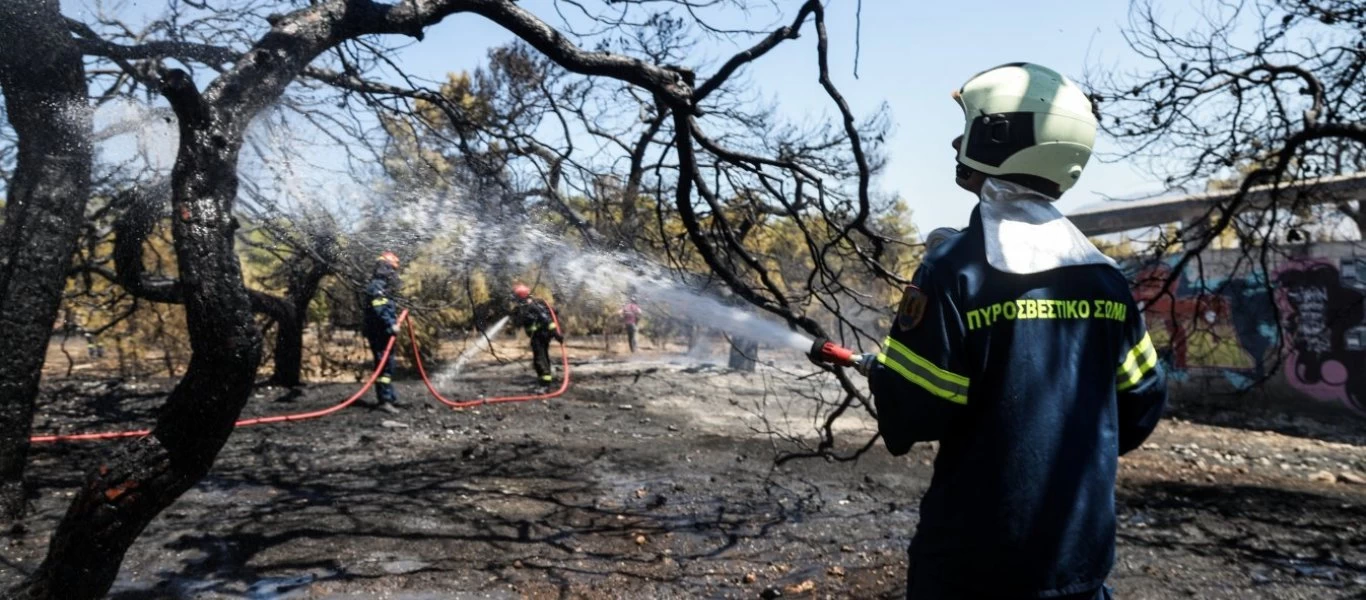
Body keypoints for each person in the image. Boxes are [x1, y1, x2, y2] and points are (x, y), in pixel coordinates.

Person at [864, 63, 1167, 599]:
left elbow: (916, 409)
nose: (958, 141)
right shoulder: (1107, 281)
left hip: (968, 571)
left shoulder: (953, 270)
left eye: (971, 127)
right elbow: (1140, 406)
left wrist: (886, 372)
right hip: (1078, 567)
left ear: (998, 137)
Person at [362, 251, 405, 414]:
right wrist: (391, 324)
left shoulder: (383, 287)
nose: (393, 274)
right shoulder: (377, 287)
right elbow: (380, 309)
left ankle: (390, 397)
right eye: (391, 270)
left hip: (384, 332)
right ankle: (384, 400)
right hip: (379, 333)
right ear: (385, 268)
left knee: (388, 366)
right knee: (383, 367)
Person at [512, 283, 562, 388]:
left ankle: (545, 385)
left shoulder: (532, 306)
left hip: (540, 336)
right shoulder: (528, 306)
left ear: (521, 296)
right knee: (542, 358)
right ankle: (544, 382)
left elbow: (547, 320)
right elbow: (520, 322)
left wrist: (556, 334)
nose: (515, 300)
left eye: (516, 297)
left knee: (539, 360)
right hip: (540, 335)